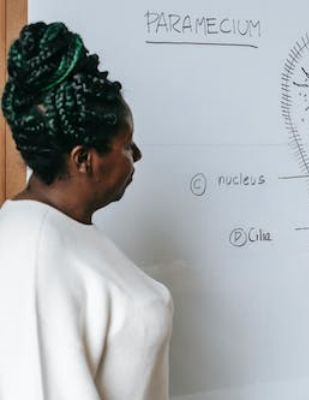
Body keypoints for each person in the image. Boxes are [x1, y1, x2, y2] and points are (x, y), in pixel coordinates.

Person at [0, 22, 173, 399]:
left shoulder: (66, 230)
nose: (137, 155)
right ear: (83, 159)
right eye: (126, 144)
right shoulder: (33, 248)